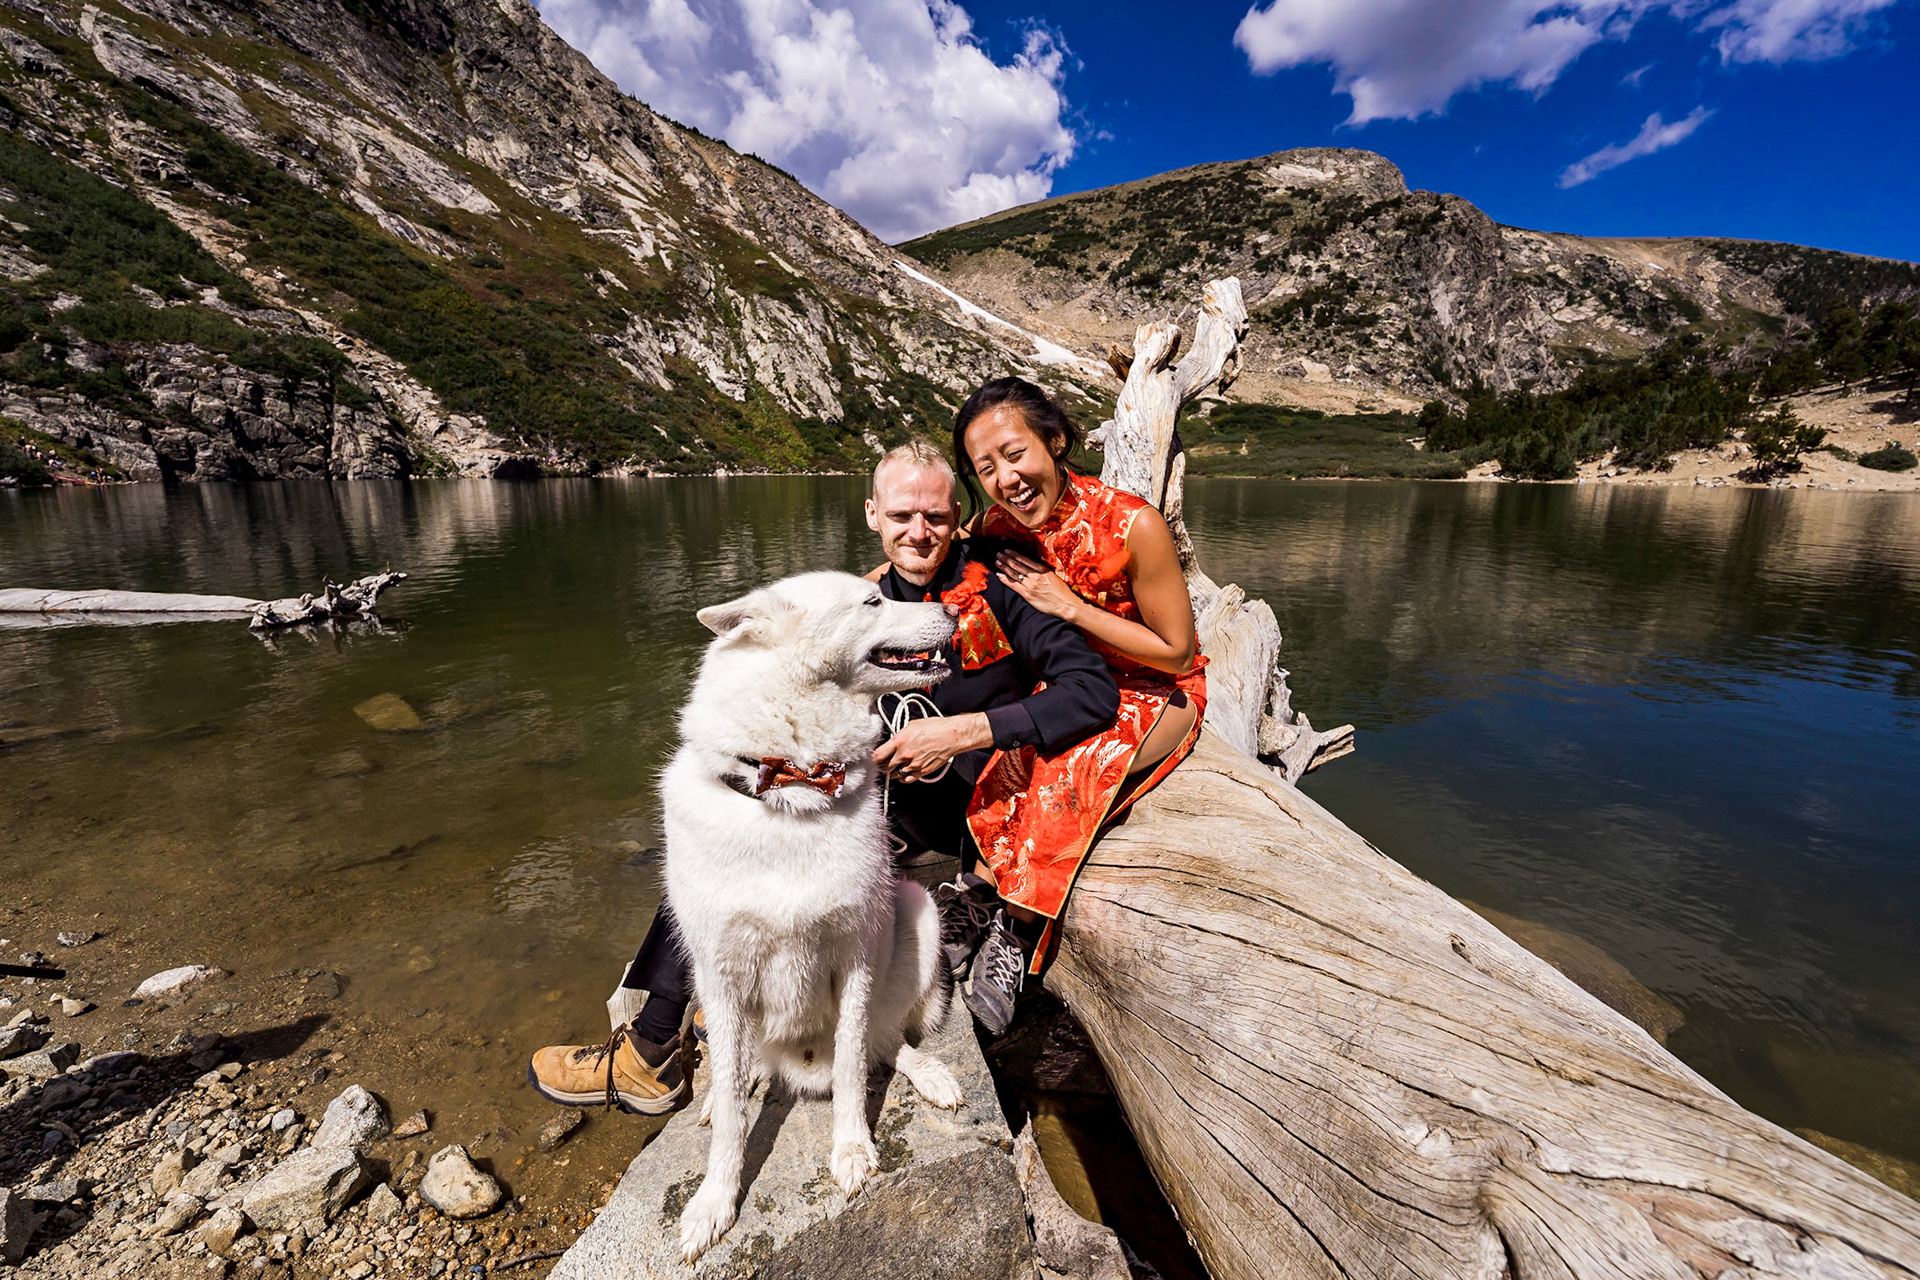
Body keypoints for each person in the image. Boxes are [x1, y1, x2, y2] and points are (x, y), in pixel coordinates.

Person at [525, 440, 1119, 1111]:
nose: (917, 532)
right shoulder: (863, 598)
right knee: (727, 830)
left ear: (959, 516)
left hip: (979, 809)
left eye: (934, 517)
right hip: (878, 805)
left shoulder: (1005, 586)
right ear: (873, 514)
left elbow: (1091, 692)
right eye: (901, 516)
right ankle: (658, 1043)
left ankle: (683, 1036)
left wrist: (966, 731)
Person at [951, 376, 1209, 995]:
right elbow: (950, 552)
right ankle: (978, 894)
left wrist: (1069, 607)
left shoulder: (1133, 525)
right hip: (1070, 681)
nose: (1006, 479)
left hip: (1154, 690)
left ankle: (1017, 927)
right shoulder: (998, 525)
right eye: (986, 468)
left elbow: (1177, 654)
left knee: (1068, 757)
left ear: (1057, 441)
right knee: (1014, 740)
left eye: (1015, 455)